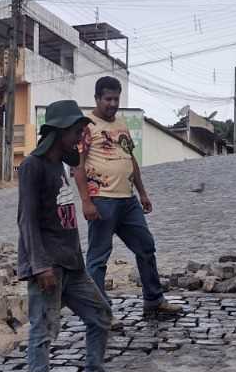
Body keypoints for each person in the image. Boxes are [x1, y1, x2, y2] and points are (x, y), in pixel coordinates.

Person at [18, 99, 127, 372]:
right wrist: (40, 266)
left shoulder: (60, 166)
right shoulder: (33, 166)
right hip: (48, 266)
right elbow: (26, 220)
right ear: (59, 131)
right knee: (43, 333)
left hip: (72, 265)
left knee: (101, 315)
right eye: (77, 131)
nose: (81, 136)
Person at [73, 75, 181, 320]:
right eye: (108, 99)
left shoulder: (121, 124)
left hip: (128, 200)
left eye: (116, 99)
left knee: (146, 247)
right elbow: (77, 166)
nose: (112, 104)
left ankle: (154, 300)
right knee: (98, 258)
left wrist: (142, 193)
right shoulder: (86, 126)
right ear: (97, 98)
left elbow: (130, 159)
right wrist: (86, 201)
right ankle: (100, 313)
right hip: (102, 200)